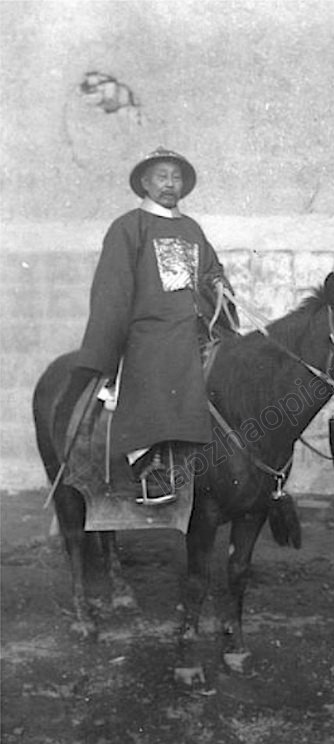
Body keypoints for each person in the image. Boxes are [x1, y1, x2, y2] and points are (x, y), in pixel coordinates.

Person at [56, 147, 236, 505]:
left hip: (194, 326)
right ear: (144, 183)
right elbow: (113, 290)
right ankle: (149, 465)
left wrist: (218, 286)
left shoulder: (191, 228)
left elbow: (211, 271)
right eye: (162, 176)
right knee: (161, 359)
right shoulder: (128, 227)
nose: (170, 184)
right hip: (149, 331)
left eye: (176, 177)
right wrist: (108, 346)